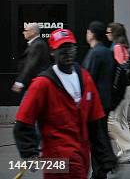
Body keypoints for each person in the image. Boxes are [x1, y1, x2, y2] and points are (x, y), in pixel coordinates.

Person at [13, 28, 106, 179]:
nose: (67, 52)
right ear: (52, 52)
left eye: (70, 47)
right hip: (58, 156)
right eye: (62, 48)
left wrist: (104, 154)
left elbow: (95, 121)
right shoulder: (42, 84)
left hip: (82, 155)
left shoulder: (85, 78)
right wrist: (30, 153)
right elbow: (23, 122)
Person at [83, 21, 119, 178]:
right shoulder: (106, 52)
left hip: (95, 103)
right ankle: (103, 167)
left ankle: (101, 169)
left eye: (87, 32)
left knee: (96, 138)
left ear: (91, 34)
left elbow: (87, 78)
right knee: (100, 135)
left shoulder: (95, 53)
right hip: (105, 101)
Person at [106, 22, 130, 163]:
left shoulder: (116, 47)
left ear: (114, 33)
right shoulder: (125, 47)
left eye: (109, 32)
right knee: (121, 119)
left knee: (112, 120)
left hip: (120, 88)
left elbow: (118, 69)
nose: (107, 35)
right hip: (128, 87)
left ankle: (129, 146)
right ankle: (126, 150)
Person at [12, 23, 50, 97]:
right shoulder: (36, 43)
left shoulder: (37, 44)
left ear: (33, 32)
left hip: (35, 84)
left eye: (26, 30)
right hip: (33, 83)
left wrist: (20, 82)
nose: (23, 32)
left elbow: (30, 65)